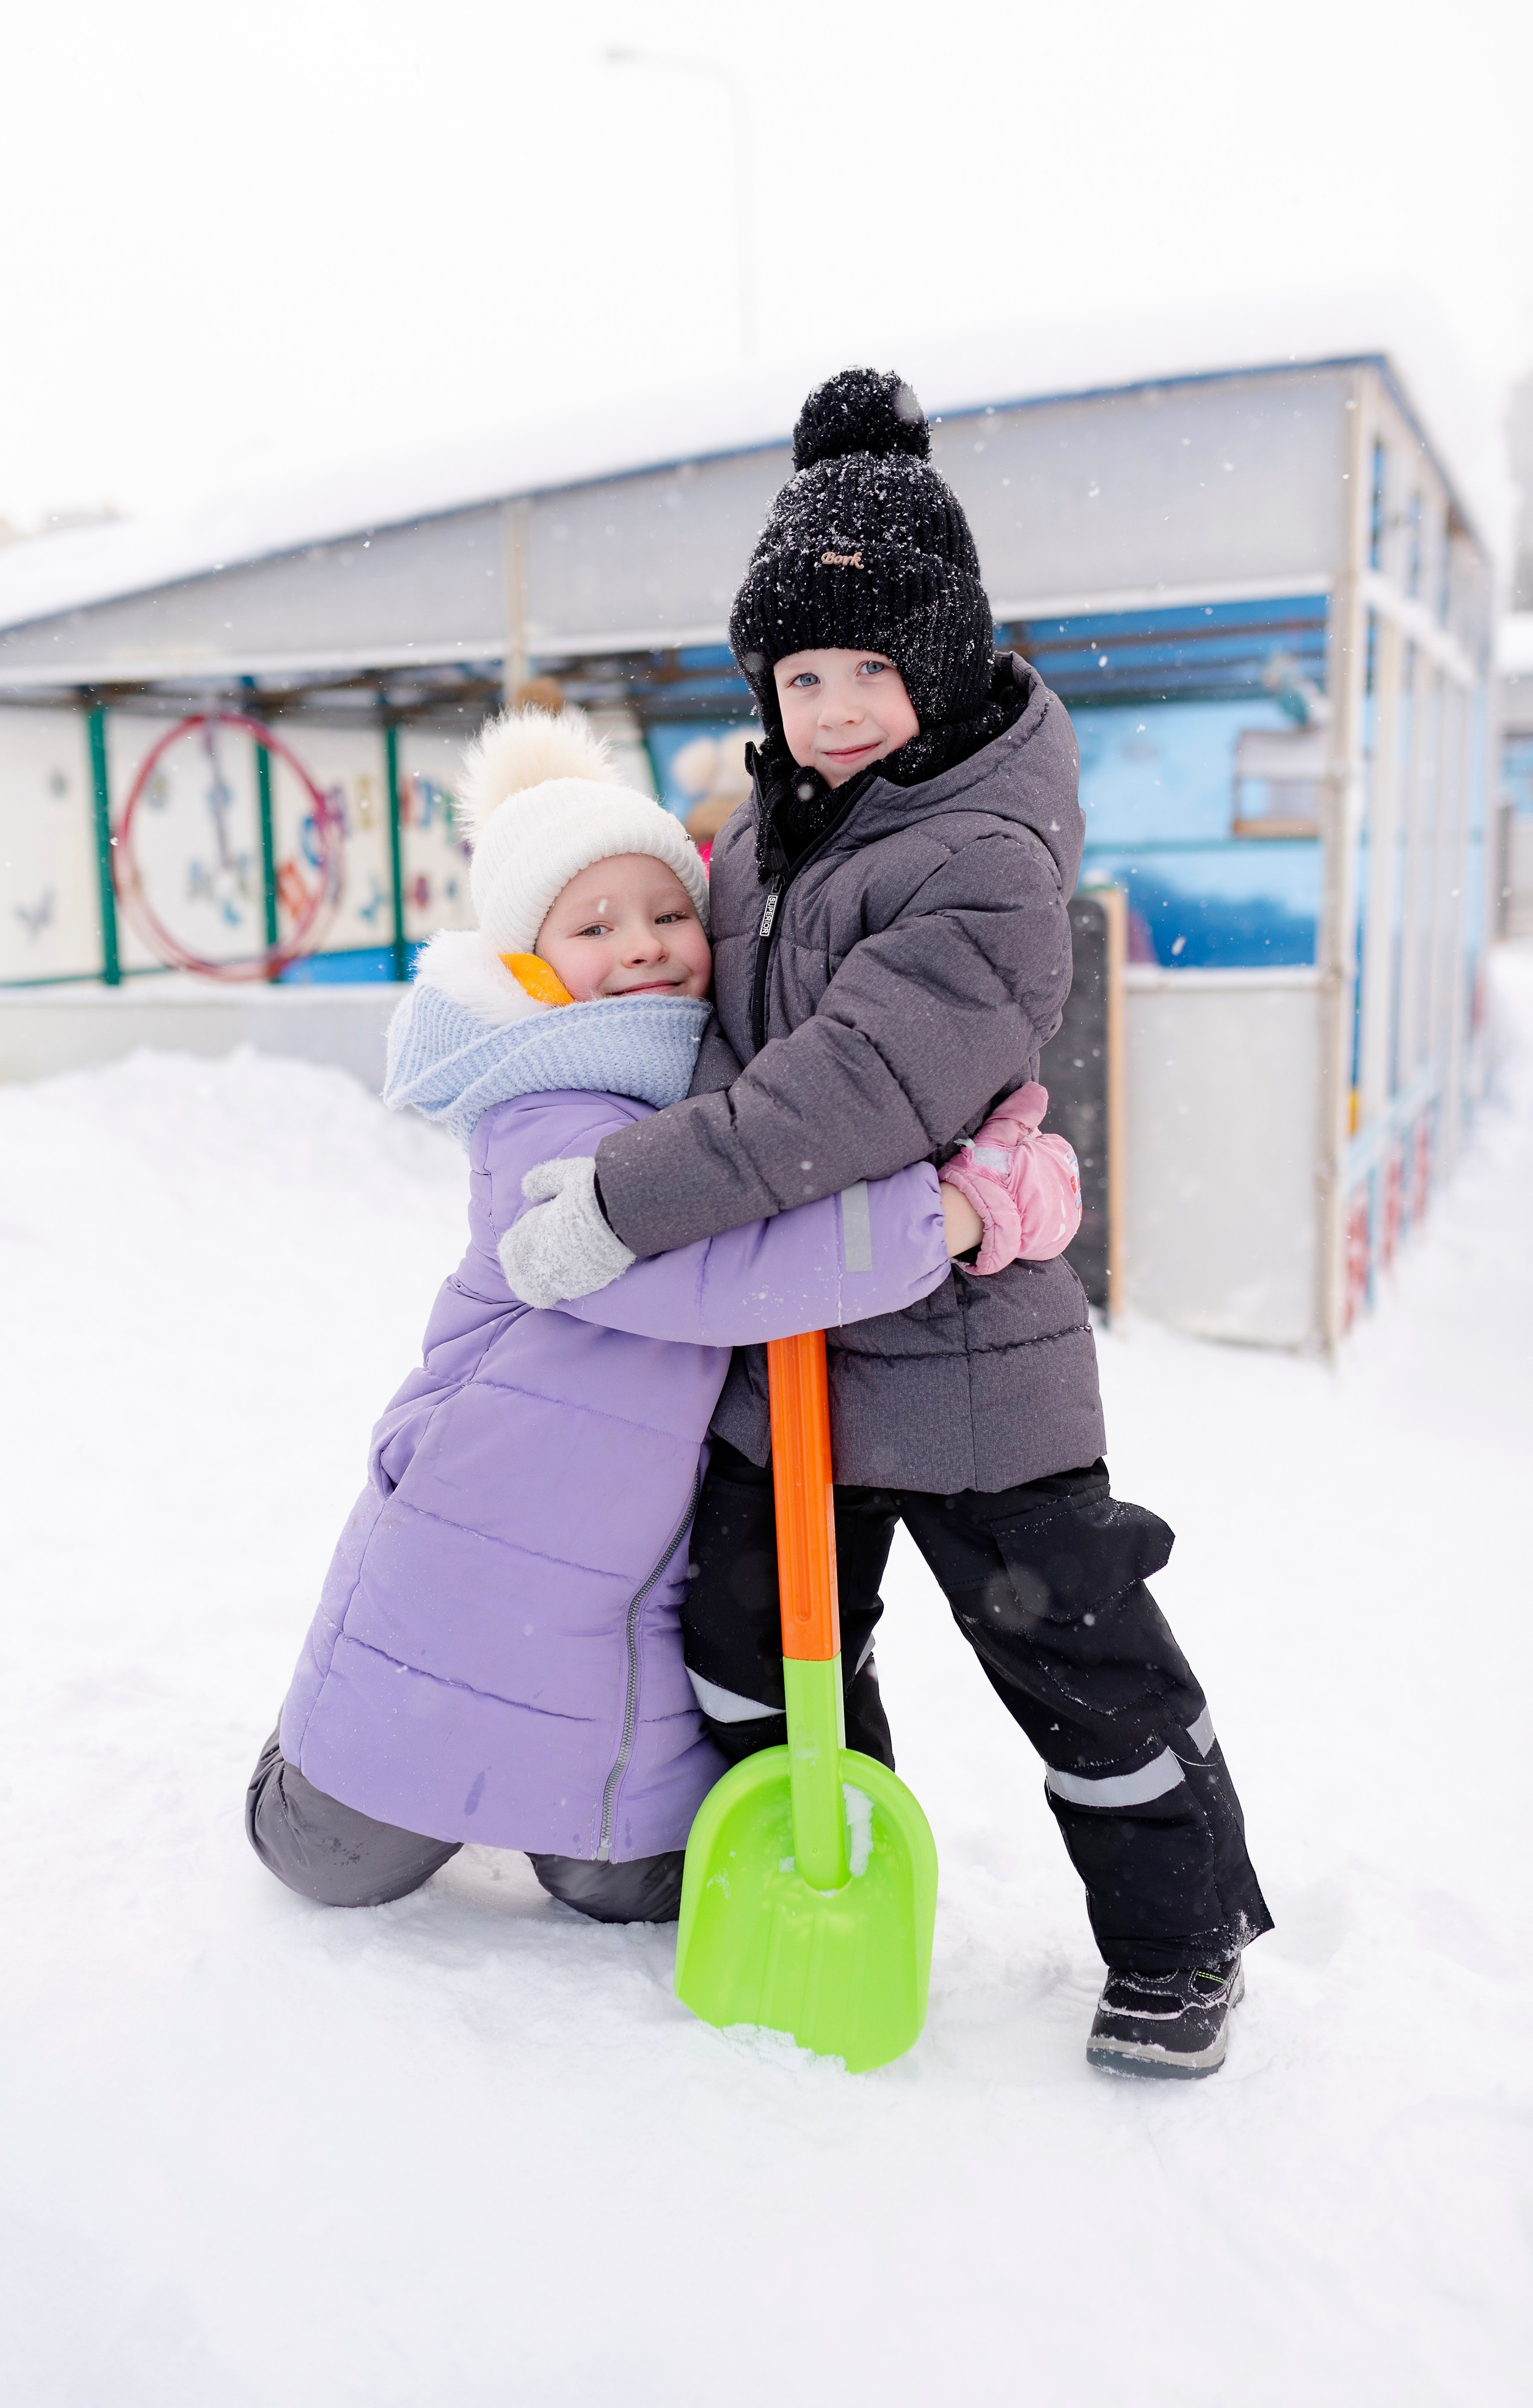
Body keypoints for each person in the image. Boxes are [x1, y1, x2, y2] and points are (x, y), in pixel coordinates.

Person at [498, 368, 1273, 2078]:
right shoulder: (761, 847)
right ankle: (834, 1870)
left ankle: (1180, 1939)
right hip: (786, 1347)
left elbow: (844, 1091)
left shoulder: (982, 854)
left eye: (867, 669)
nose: (835, 706)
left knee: (1076, 1662)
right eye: (801, 673)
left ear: (937, 666)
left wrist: (629, 1203)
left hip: (968, 1364)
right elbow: (681, 1021)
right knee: (745, 1643)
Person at [248, 705, 1046, 1924]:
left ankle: (568, 1819)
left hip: (623, 1580)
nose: (643, 945)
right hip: (472, 1541)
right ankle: (305, 1774)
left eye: (668, 912)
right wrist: (950, 1215)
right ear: (530, 960)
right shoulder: (544, 1105)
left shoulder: (706, 1097)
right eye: (595, 923)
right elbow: (706, 1266)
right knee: (324, 1860)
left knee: (630, 1888)